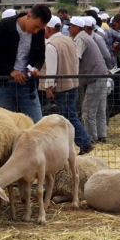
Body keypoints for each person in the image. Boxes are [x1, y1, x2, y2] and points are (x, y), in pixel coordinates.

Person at [0, 3, 50, 122]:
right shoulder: (4, 25)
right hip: (2, 84)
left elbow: (40, 56)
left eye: (40, 28)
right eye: (35, 26)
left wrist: (36, 67)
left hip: (27, 84)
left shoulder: (39, 33)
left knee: (36, 122)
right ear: (29, 16)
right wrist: (10, 70)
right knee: (5, 124)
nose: (36, 31)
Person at [41, 16, 93, 154]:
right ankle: (85, 142)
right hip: (72, 84)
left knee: (63, 118)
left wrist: (48, 88)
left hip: (60, 88)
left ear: (48, 28)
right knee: (71, 115)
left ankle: (83, 142)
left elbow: (51, 69)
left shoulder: (51, 45)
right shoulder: (69, 40)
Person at [73, 16, 112, 144]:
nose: (68, 29)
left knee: (88, 109)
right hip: (102, 74)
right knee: (100, 108)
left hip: (95, 77)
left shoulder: (80, 38)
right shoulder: (88, 37)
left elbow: (76, 59)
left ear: (77, 28)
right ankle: (101, 135)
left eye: (71, 26)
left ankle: (91, 137)